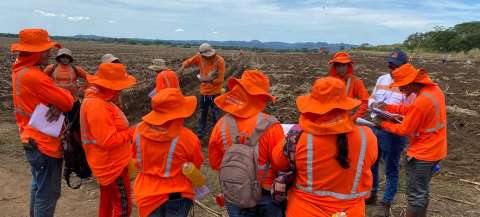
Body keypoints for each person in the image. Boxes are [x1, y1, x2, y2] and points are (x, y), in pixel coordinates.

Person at [272, 77, 378, 217]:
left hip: (304, 211)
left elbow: (277, 161)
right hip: (350, 213)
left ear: (313, 106)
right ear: (345, 105)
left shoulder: (298, 137)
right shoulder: (367, 137)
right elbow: (369, 162)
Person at [11, 28, 74, 217]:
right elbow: (68, 102)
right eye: (45, 49)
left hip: (30, 138)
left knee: (38, 186)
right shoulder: (35, 76)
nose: (49, 53)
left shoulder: (20, 70)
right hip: (45, 144)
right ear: (34, 53)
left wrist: (57, 101)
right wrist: (62, 100)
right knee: (48, 194)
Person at [373, 63, 447, 217]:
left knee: (414, 196)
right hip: (436, 149)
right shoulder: (433, 91)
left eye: (401, 86)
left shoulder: (422, 101)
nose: (400, 90)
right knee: (422, 192)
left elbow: (404, 130)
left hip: (423, 154)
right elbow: (411, 109)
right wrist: (388, 107)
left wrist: (383, 123)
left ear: (411, 82)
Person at [208, 70, 285, 217]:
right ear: (261, 97)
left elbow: (215, 163)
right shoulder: (272, 126)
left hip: (235, 193)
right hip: (266, 194)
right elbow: (281, 164)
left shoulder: (221, 125)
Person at [132, 88, 204, 217]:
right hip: (176, 196)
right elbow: (196, 165)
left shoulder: (138, 131)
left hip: (146, 195)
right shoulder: (187, 138)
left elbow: (135, 160)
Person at [80, 63, 137, 217]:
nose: (121, 90)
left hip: (106, 163)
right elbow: (108, 141)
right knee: (122, 207)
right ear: (111, 86)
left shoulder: (100, 100)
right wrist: (133, 132)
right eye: (119, 87)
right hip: (112, 166)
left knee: (107, 203)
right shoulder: (97, 106)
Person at [366, 48, 415, 216]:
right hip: (376, 127)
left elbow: (410, 111)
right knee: (372, 163)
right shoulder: (382, 78)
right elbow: (371, 98)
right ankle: (371, 193)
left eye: (396, 66)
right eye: (390, 65)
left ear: (406, 66)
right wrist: (374, 106)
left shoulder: (409, 85)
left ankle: (386, 203)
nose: (392, 69)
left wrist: (389, 116)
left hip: (393, 132)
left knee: (391, 168)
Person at [178, 43, 225, 139]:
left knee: (216, 115)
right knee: (202, 114)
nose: (206, 58)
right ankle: (200, 135)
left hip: (215, 93)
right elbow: (188, 61)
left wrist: (208, 80)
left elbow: (220, 80)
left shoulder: (219, 61)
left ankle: (217, 135)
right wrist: (181, 69)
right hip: (204, 92)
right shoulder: (199, 57)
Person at [328, 52, 369, 120]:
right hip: (330, 118)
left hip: (346, 118)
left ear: (348, 66)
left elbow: (365, 100)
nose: (341, 68)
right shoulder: (329, 81)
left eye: (344, 65)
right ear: (334, 67)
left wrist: (355, 117)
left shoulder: (355, 81)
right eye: (338, 66)